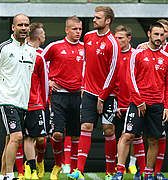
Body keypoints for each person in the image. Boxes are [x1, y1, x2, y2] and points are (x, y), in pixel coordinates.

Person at [67, 6, 120, 180]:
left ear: (108, 21)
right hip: (89, 92)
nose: (94, 20)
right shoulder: (88, 37)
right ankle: (78, 171)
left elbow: (113, 73)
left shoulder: (113, 42)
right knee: (85, 127)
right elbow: (86, 63)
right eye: (94, 17)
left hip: (108, 95)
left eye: (98, 18)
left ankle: (110, 171)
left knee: (108, 129)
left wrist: (102, 97)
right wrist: (84, 85)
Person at [112, 22, 168, 180]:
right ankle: (119, 171)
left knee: (153, 139)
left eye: (161, 35)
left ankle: (148, 173)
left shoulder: (166, 58)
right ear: (149, 34)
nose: (158, 38)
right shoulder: (137, 53)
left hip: (157, 105)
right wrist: (139, 101)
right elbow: (130, 79)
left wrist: (167, 106)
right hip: (137, 104)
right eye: (155, 34)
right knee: (127, 135)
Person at [0, 14, 37, 180]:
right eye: (20, 25)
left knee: (10, 139)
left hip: (22, 102)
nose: (24, 28)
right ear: (13, 27)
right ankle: (9, 175)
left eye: (26, 25)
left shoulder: (32, 51)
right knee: (17, 137)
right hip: (5, 99)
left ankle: (2, 175)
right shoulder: (3, 48)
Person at [42, 15, 84, 180]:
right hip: (58, 96)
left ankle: (74, 170)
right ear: (66, 29)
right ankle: (59, 163)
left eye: (80, 29)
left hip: (77, 96)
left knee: (75, 135)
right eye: (74, 29)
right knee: (58, 134)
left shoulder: (84, 48)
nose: (78, 32)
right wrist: (48, 82)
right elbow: (39, 63)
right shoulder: (55, 46)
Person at [112, 25, 146, 180]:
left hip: (135, 103)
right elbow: (111, 81)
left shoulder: (136, 54)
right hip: (119, 104)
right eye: (116, 38)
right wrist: (116, 103)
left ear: (129, 38)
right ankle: (119, 169)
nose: (118, 41)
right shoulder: (113, 56)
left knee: (136, 137)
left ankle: (141, 169)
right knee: (121, 137)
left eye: (121, 38)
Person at [21, 22, 48, 180]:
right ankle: (29, 170)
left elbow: (44, 81)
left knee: (40, 139)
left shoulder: (40, 56)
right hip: (22, 102)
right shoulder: (21, 53)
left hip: (36, 103)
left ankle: (39, 161)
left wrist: (44, 103)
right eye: (43, 33)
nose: (44, 36)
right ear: (39, 36)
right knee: (25, 138)